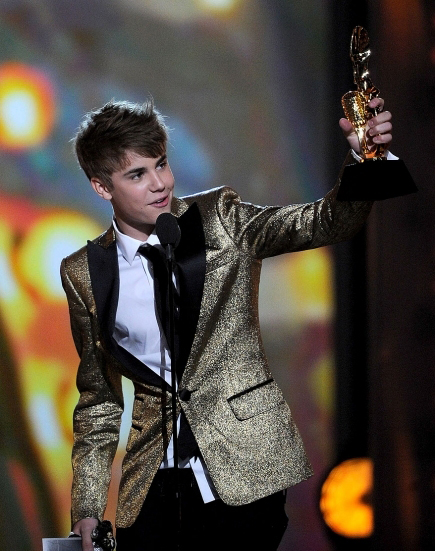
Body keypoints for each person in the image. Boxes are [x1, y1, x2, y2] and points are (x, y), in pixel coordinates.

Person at [61, 97, 392, 551]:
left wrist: (364, 159)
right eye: (137, 175)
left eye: (161, 164)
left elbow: (323, 223)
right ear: (102, 187)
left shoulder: (219, 219)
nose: (160, 184)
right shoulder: (83, 272)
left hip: (244, 469)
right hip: (152, 481)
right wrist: (87, 507)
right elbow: (99, 400)